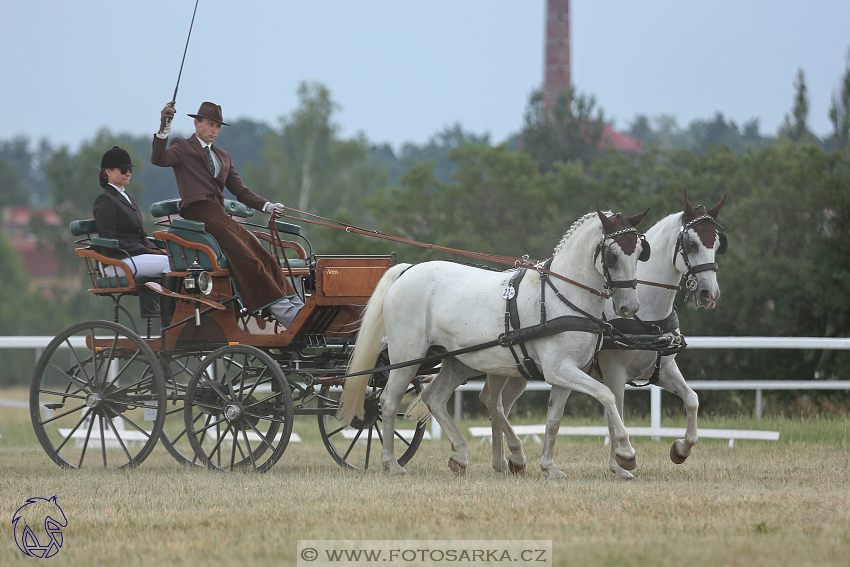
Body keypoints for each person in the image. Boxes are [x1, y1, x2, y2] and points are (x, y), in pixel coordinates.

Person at [151, 101, 304, 327]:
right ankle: (286, 314)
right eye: (210, 124)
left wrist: (267, 206)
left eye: (218, 126)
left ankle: (296, 305)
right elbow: (159, 159)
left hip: (219, 215)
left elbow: (240, 191)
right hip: (199, 215)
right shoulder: (182, 146)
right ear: (197, 123)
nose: (214, 130)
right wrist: (164, 127)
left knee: (264, 256)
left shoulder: (223, 156)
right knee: (248, 259)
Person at [94, 146, 171, 279]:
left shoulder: (130, 198)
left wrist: (155, 250)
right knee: (171, 264)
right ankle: (170, 300)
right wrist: (143, 249)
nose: (128, 173)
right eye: (123, 170)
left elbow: (141, 235)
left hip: (133, 256)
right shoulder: (105, 200)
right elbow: (109, 240)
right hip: (116, 261)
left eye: (130, 169)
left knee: (178, 261)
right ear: (108, 172)